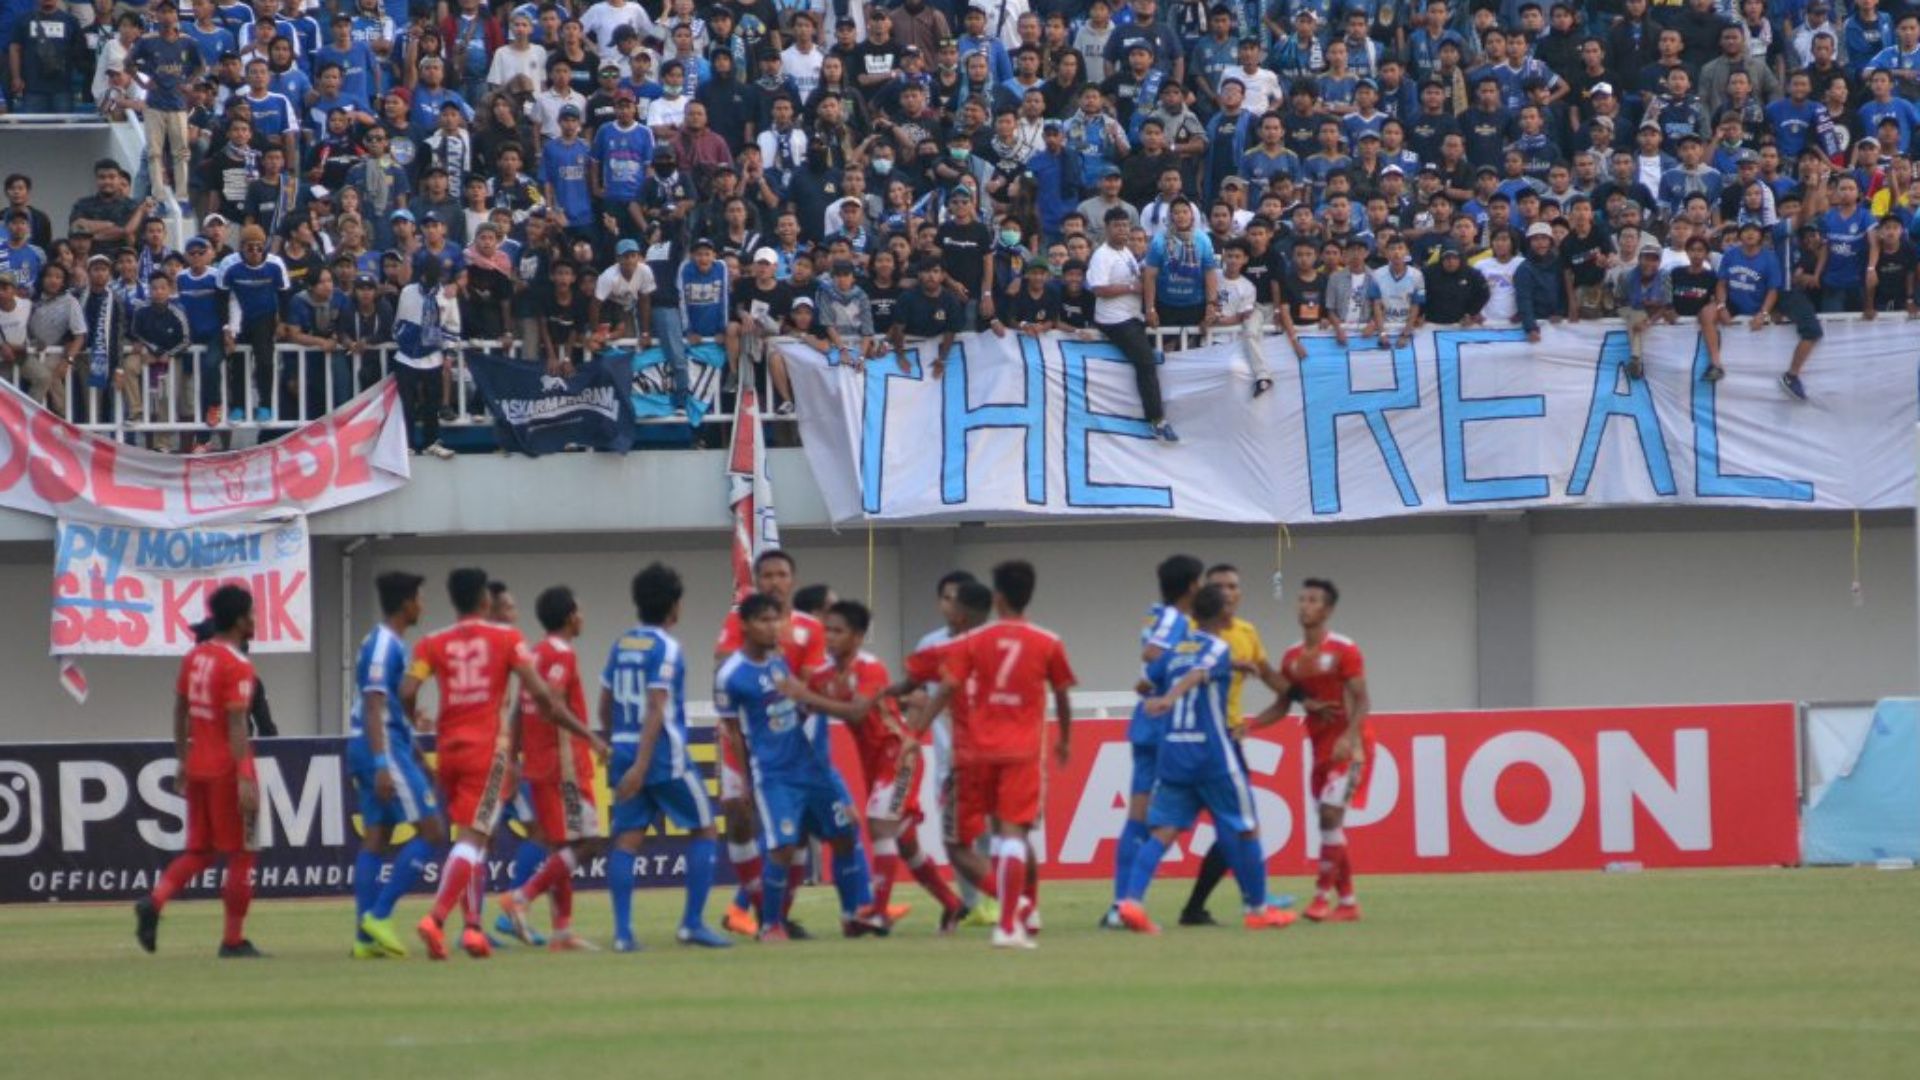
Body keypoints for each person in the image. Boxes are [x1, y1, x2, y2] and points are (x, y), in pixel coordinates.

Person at [398, 567, 582, 960]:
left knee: (473, 840)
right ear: (485, 601)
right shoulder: (508, 640)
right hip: (489, 755)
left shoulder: (431, 643)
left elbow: (408, 689)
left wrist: (414, 720)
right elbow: (541, 695)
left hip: (449, 752)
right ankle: (436, 918)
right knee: (473, 841)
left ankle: (473, 928)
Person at [1115, 584, 1297, 935]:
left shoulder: (1173, 652)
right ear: (1223, 616)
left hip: (1173, 753)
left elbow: (1142, 684)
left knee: (1163, 832)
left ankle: (1132, 903)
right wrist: (1172, 696)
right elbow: (1199, 673)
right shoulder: (1217, 647)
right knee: (1247, 827)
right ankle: (1258, 908)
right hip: (1212, 756)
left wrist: (1163, 695)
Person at [714, 592, 883, 942]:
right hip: (774, 774)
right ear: (745, 626)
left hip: (810, 767)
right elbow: (732, 732)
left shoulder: (779, 663)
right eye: (764, 620)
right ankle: (771, 924)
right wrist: (744, 782)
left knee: (844, 835)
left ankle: (853, 916)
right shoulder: (731, 674)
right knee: (783, 847)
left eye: (776, 619)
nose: (773, 626)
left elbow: (797, 706)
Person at [926, 561, 1076, 950]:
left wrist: (914, 730)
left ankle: (1017, 913)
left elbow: (946, 688)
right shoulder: (1048, 641)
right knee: (1012, 835)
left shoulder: (974, 641)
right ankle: (1012, 921)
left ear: (997, 597)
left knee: (982, 840)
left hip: (976, 751)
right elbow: (1061, 694)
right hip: (1022, 751)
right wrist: (1065, 740)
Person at [809, 599, 968, 933]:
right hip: (874, 764)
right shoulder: (824, 674)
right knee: (906, 844)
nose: (830, 637)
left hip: (900, 758)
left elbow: (857, 712)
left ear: (857, 636)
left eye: (838, 631)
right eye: (827, 630)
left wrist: (804, 696)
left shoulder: (870, 668)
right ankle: (952, 904)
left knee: (880, 824)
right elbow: (801, 699)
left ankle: (878, 911)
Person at [600, 563, 732, 952]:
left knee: (627, 841)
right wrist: (643, 765)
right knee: (705, 829)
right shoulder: (667, 647)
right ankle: (691, 923)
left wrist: (615, 746)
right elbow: (657, 707)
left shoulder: (621, 644)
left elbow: (605, 704)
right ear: (674, 606)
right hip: (662, 756)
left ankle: (623, 934)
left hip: (623, 748)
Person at [133, 585, 265, 959]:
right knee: (243, 853)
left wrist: (181, 759)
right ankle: (233, 940)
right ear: (240, 620)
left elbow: (179, 709)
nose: (254, 621)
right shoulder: (237, 664)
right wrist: (243, 776)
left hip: (199, 766)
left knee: (200, 851)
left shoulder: (194, 658)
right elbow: (238, 723)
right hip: (229, 768)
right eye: (251, 614)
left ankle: (155, 901)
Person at [710, 549, 828, 938]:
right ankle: (761, 910)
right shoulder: (738, 618)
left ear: (792, 580)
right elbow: (725, 661)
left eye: (781, 575)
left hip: (789, 740)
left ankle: (770, 914)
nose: (775, 582)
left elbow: (809, 683)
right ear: (757, 582)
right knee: (737, 816)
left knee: (791, 833)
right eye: (767, 576)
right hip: (740, 732)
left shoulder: (809, 628)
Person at [493, 587, 611, 951]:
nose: (583, 615)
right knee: (589, 842)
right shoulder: (560, 654)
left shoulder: (533, 653)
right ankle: (522, 897)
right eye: (579, 609)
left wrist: (513, 757)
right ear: (569, 616)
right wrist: (591, 738)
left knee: (561, 847)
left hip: (541, 765)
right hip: (564, 768)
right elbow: (553, 705)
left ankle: (562, 932)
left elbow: (518, 712)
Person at [1249, 579, 1372, 923]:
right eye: (1301, 599)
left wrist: (1350, 736)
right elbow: (1283, 704)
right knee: (1330, 825)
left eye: (1313, 600)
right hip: (1319, 748)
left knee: (1330, 816)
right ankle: (1348, 902)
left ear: (1328, 610)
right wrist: (1251, 726)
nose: (1304, 605)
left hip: (1350, 746)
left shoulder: (1344, 650)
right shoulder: (1291, 658)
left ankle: (1321, 898)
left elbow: (1362, 699)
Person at [347, 572, 447, 960]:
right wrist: (382, 764)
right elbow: (373, 705)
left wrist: (419, 756)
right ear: (406, 603)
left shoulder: (385, 642)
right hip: (380, 746)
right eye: (420, 599)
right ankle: (379, 915)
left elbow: (386, 705)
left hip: (379, 743)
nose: (422, 605)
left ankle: (364, 937)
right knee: (433, 829)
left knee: (378, 835)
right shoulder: (385, 645)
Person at [1102, 554, 1201, 930]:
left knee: (1137, 818)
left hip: (1146, 722)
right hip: (1166, 726)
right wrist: (1165, 674)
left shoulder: (1154, 612)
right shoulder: (1176, 619)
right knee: (1168, 818)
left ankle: (1119, 905)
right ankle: (1256, 901)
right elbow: (1152, 654)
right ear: (1192, 585)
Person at [1089, 209, 1176, 442]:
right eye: (1117, 226)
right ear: (1106, 227)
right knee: (1146, 362)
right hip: (1115, 319)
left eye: (1126, 226)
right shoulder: (1101, 255)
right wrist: (1131, 288)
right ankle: (1157, 420)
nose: (1123, 230)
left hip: (1133, 315)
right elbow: (1098, 289)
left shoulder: (1126, 251)